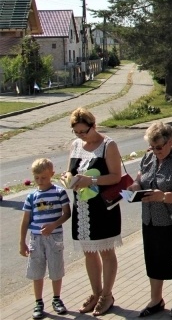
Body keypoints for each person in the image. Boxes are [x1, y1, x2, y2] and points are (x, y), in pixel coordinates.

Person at [131, 122, 172, 318]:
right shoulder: (148, 157)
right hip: (150, 219)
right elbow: (140, 178)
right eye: (152, 146)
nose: (155, 150)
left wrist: (164, 196)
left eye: (159, 146)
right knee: (153, 260)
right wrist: (134, 186)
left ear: (170, 142)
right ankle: (156, 299)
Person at [66, 107, 122, 316]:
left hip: (103, 207)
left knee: (106, 252)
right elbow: (69, 171)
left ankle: (107, 294)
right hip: (82, 207)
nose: (81, 136)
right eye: (77, 132)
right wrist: (68, 179)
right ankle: (96, 292)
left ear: (93, 126)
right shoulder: (75, 146)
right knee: (88, 252)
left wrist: (92, 180)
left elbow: (116, 176)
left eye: (84, 131)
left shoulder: (109, 145)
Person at [20, 158, 71, 320]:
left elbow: (67, 213)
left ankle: (56, 299)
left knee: (56, 268)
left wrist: (53, 225)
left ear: (51, 175)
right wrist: (22, 241)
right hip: (36, 238)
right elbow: (26, 219)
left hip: (54, 237)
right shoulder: (31, 196)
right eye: (37, 178)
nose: (40, 181)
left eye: (44, 178)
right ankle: (38, 302)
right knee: (37, 270)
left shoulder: (59, 192)